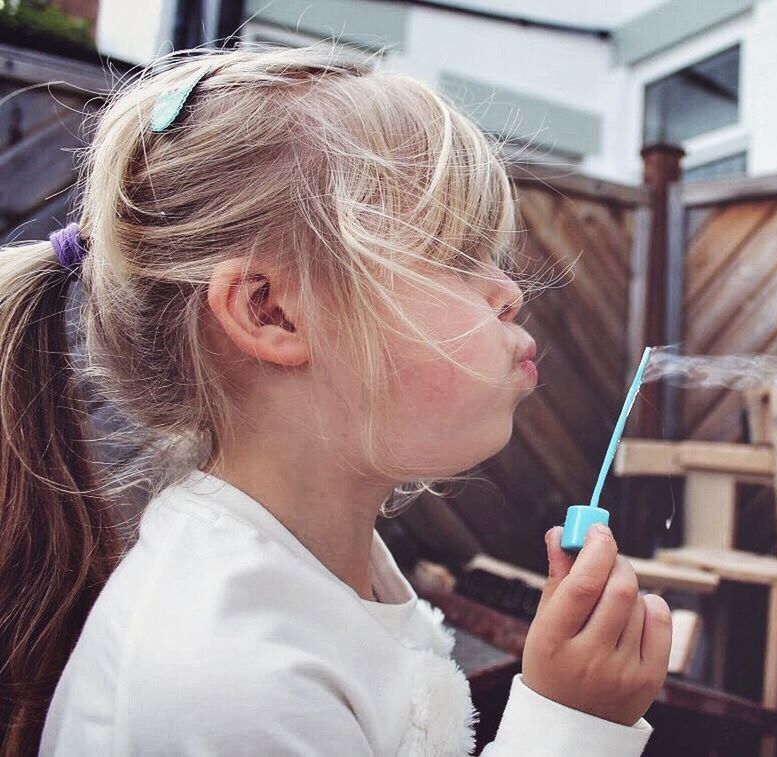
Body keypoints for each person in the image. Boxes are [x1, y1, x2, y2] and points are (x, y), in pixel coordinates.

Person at [0, 45, 671, 756]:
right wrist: (569, 725)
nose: (508, 290)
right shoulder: (224, 682)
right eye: (452, 256)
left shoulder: (324, 574)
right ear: (271, 312)